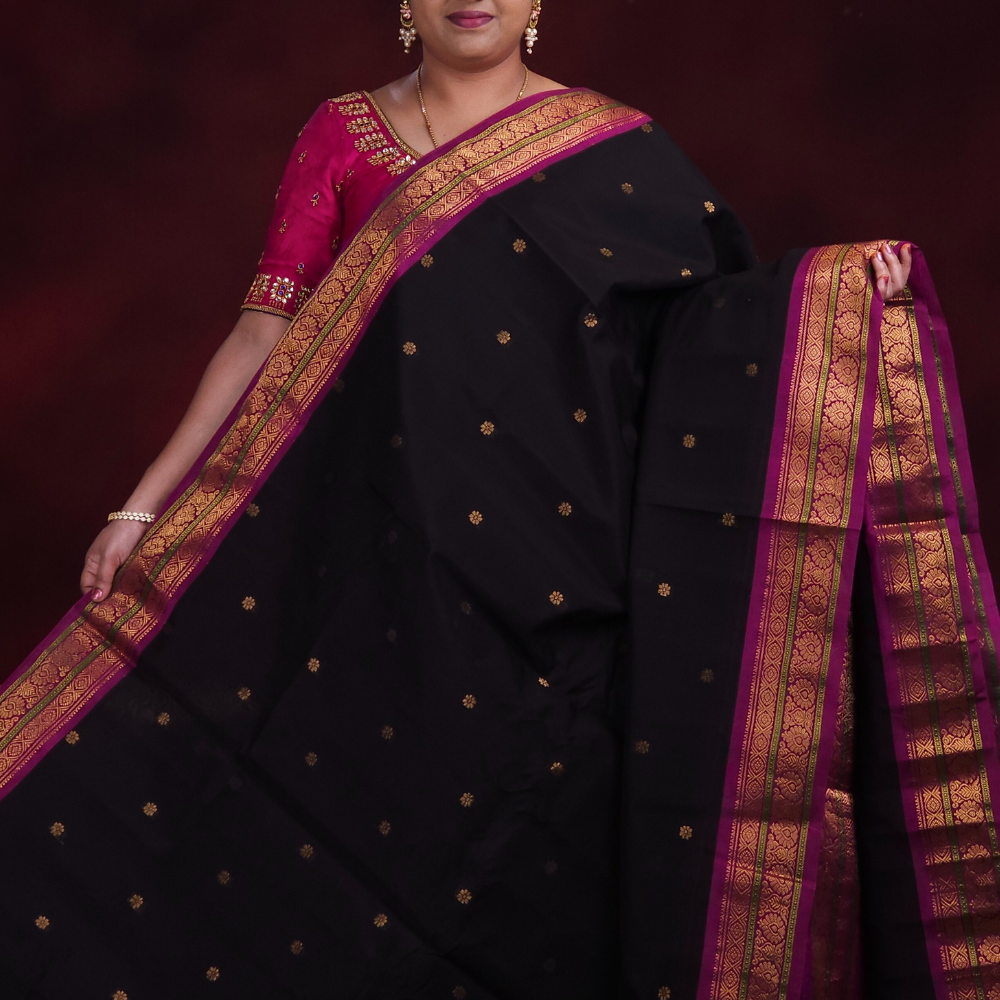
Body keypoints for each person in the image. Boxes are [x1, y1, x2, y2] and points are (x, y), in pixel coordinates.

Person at [1, 2, 997, 998]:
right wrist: (142, 507)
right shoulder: (343, 133)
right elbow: (265, 331)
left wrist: (840, 294)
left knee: (510, 858)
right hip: (353, 557)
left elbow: (702, 334)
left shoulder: (617, 152)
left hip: (549, 581)